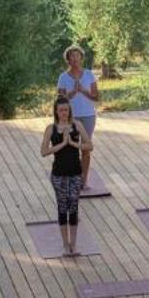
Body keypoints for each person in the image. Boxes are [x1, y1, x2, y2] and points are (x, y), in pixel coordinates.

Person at [38, 97, 89, 256]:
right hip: (59, 174)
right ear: (56, 111)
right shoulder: (51, 129)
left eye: (66, 110)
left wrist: (74, 144)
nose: (63, 113)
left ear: (69, 110)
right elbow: (44, 151)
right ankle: (65, 245)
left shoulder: (77, 125)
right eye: (60, 110)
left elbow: (90, 145)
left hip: (75, 173)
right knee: (62, 207)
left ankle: (73, 244)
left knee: (73, 207)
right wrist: (62, 143)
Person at [57, 47, 100, 181]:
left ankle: (83, 179)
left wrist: (83, 90)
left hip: (88, 116)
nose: (75, 59)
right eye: (72, 56)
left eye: (77, 56)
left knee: (86, 149)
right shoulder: (63, 77)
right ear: (68, 60)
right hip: (71, 117)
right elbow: (60, 100)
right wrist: (72, 93)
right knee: (70, 149)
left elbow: (96, 96)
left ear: (81, 58)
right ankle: (72, 177)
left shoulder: (89, 74)